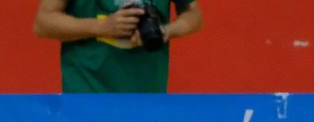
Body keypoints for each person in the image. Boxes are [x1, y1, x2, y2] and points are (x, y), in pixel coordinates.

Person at [33, 0, 203, 93]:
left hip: (147, 95)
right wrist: (103, 26)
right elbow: (43, 22)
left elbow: (194, 15)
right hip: (88, 95)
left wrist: (166, 31)